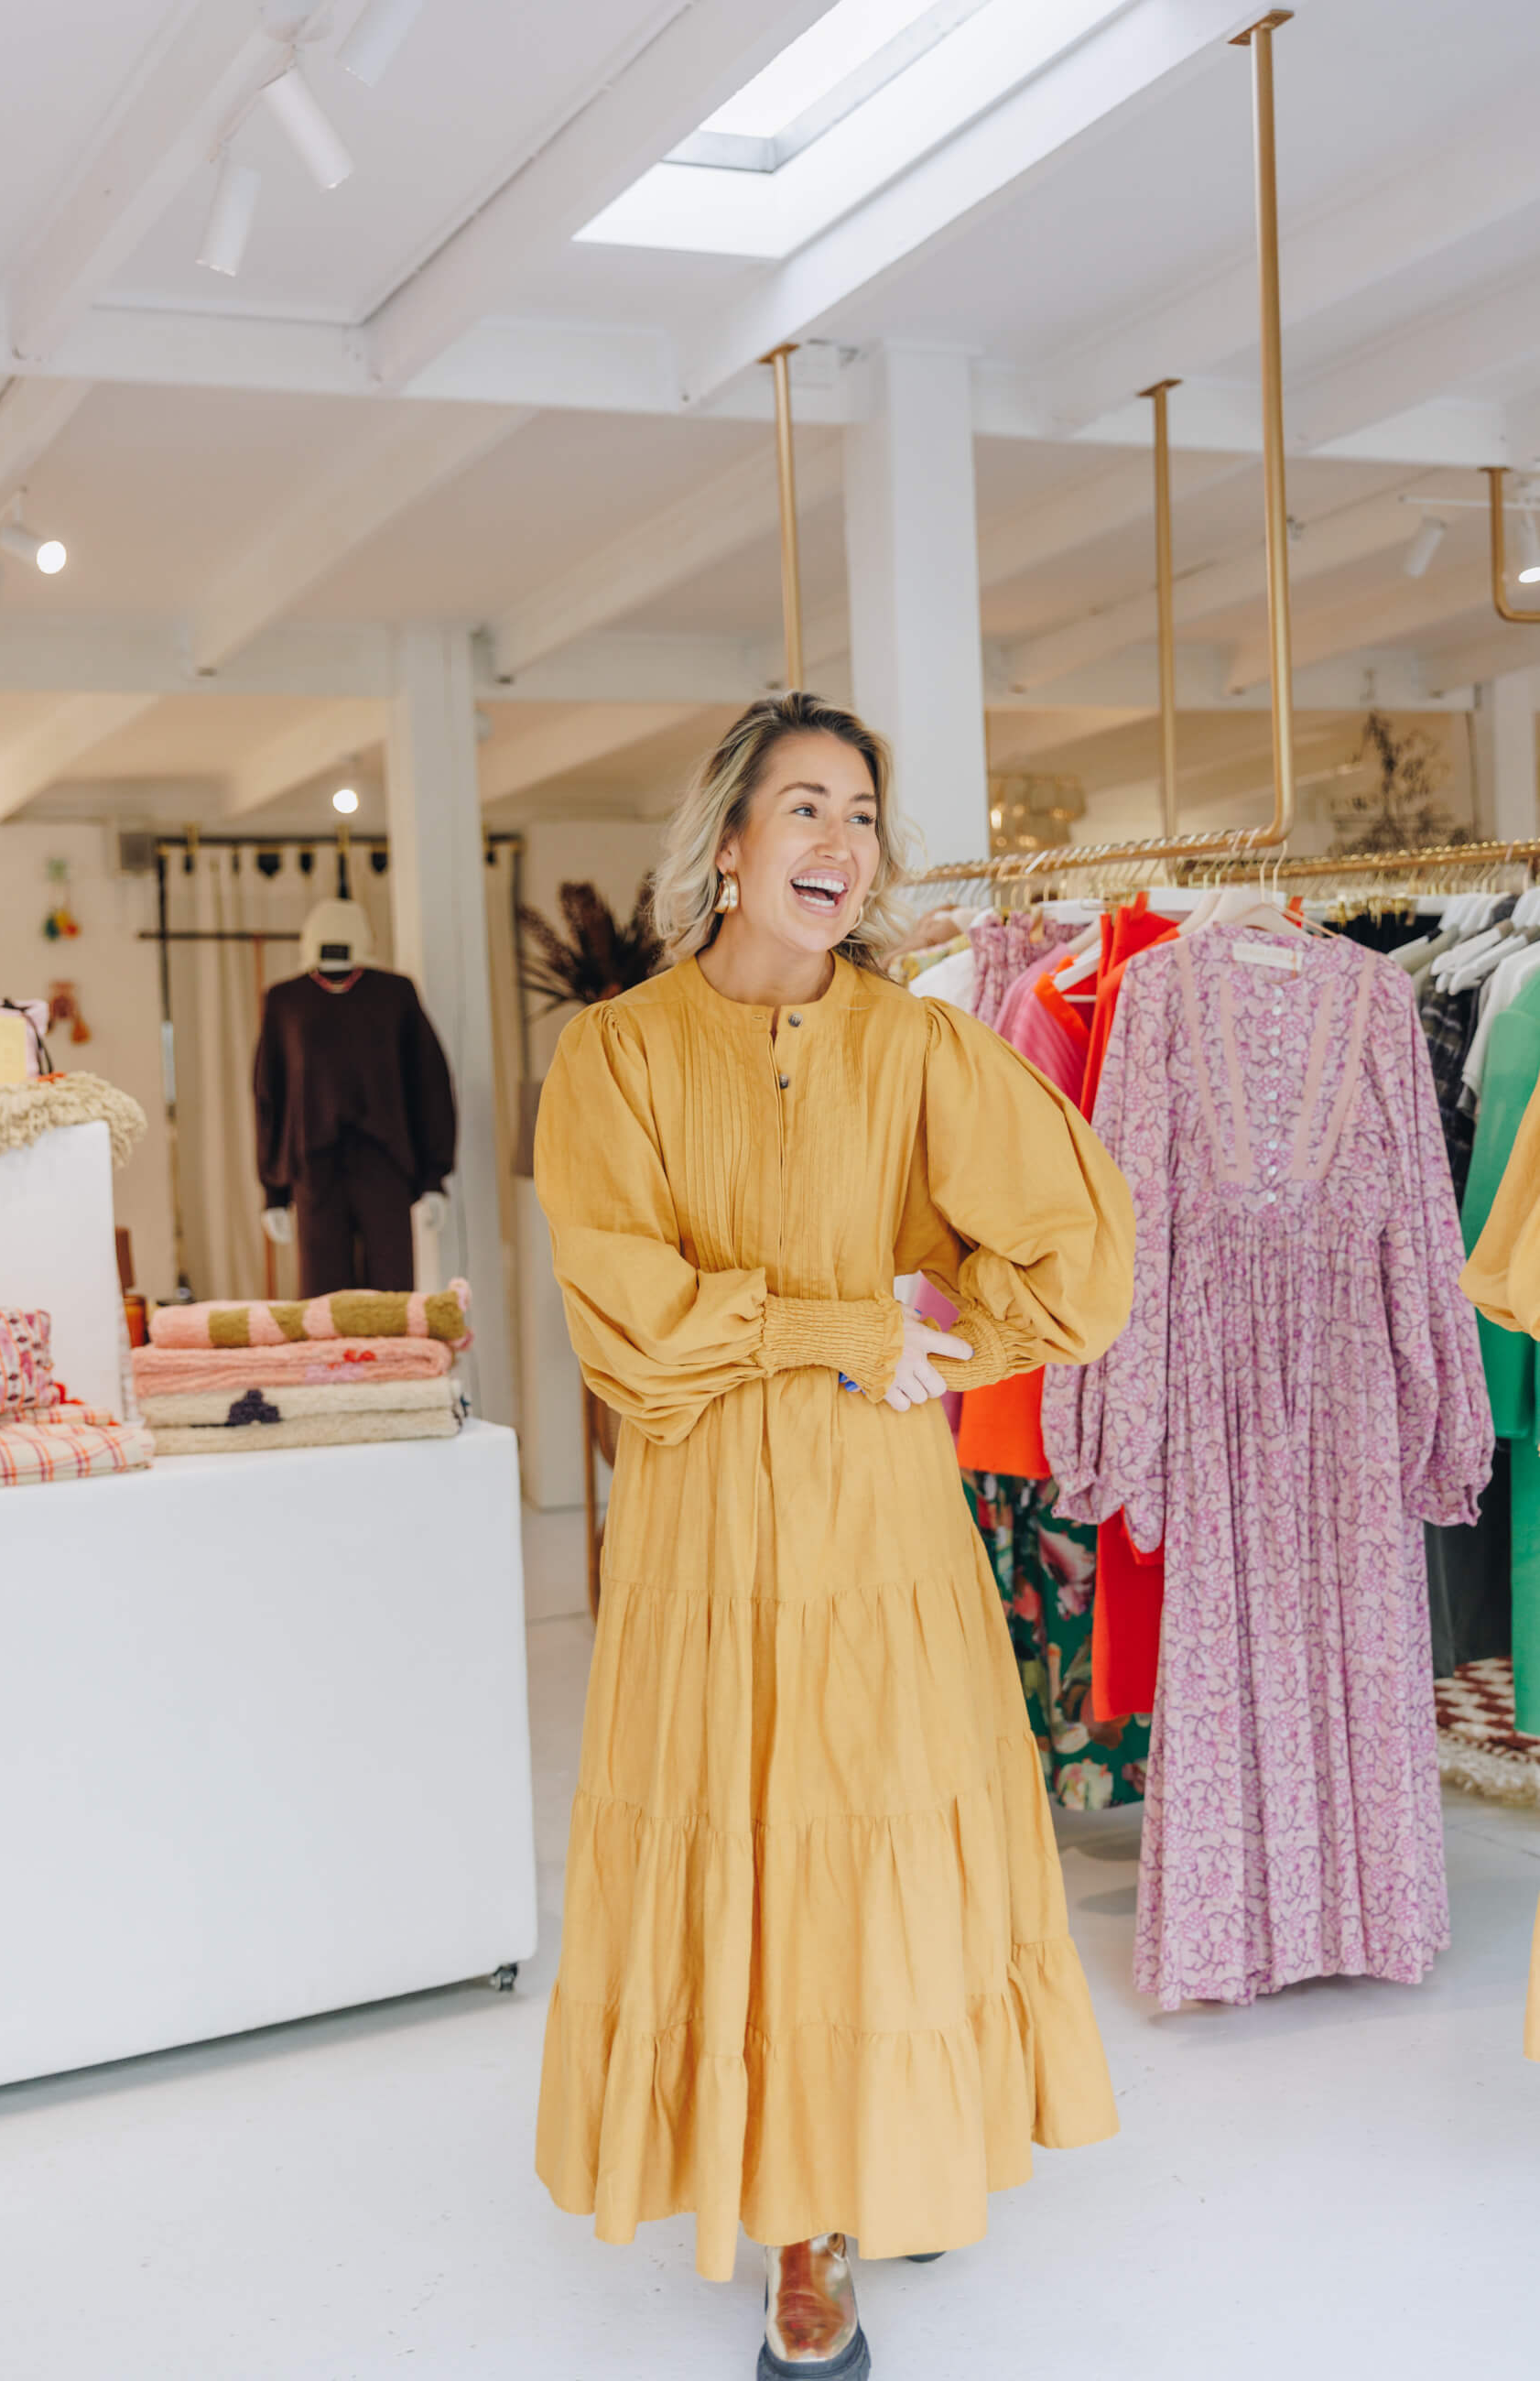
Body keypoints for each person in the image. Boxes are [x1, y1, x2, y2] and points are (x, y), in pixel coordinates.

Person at [532, 691, 1135, 2378]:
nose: (839, 842)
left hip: (881, 1527)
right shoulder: (616, 1056)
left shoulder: (922, 1046)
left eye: (860, 814)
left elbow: (1080, 1254)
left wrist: (953, 1342)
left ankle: (874, 2161)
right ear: (727, 842)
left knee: (872, 1839)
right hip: (703, 1533)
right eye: (803, 806)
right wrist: (843, 1328)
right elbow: (628, 1320)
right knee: (748, 1841)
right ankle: (800, 2227)